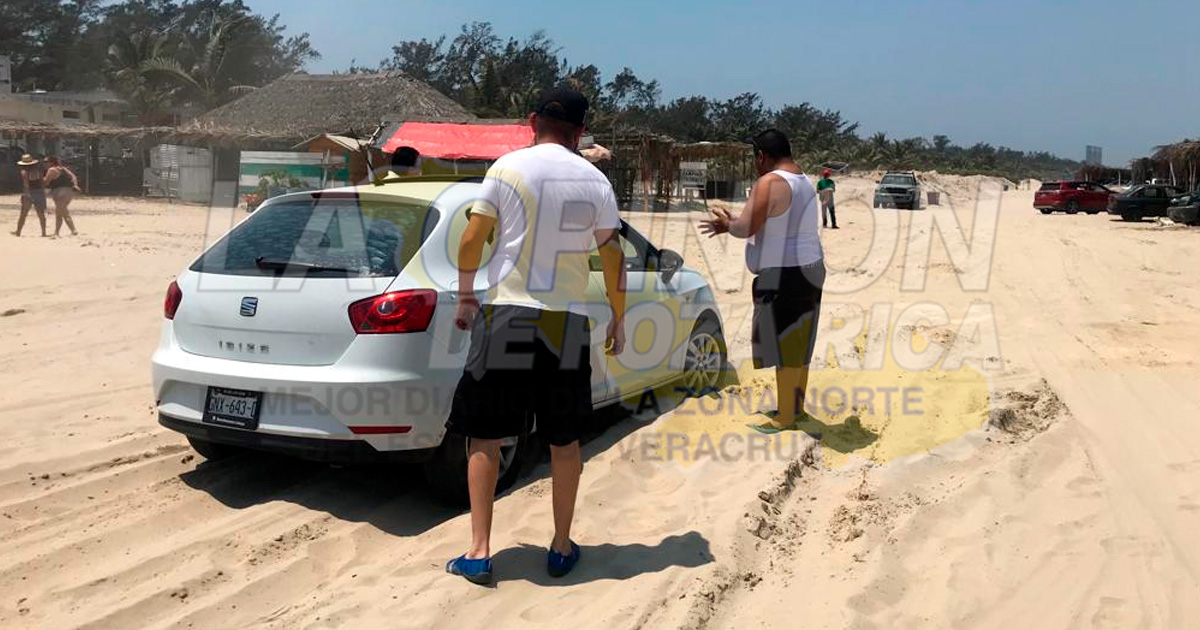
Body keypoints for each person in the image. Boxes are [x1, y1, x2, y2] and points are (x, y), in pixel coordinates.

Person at [444, 87, 627, 585]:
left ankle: (479, 552)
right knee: (564, 442)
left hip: (506, 313)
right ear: (581, 131)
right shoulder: (596, 181)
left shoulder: (507, 168)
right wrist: (618, 316)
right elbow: (612, 255)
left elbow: (472, 238)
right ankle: (562, 546)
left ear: (532, 121)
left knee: (485, 436)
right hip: (563, 321)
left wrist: (466, 295)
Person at [700, 129, 824, 433]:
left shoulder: (769, 182)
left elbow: (746, 228)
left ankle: (785, 417)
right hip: (810, 268)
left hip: (786, 273)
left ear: (761, 156)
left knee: (786, 345)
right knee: (800, 343)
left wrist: (728, 224)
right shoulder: (803, 180)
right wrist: (735, 222)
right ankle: (795, 408)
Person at [42, 156, 79, 236]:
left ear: (51, 162)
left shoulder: (51, 170)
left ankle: (57, 232)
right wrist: (75, 185)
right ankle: (72, 230)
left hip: (59, 192)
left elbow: (46, 182)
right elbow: (73, 176)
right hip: (69, 192)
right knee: (63, 211)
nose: (45, 164)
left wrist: (39, 179)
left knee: (60, 213)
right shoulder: (63, 169)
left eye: (46, 162)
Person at [13, 154, 48, 237]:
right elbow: (42, 182)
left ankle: (18, 231)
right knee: (41, 213)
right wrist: (43, 192)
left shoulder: (24, 172)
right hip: (39, 192)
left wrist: (26, 194)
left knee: (23, 213)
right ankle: (43, 232)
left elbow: (26, 184)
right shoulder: (38, 171)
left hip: (29, 192)